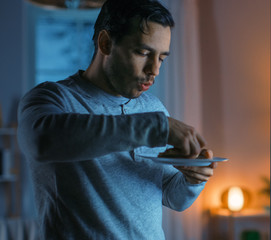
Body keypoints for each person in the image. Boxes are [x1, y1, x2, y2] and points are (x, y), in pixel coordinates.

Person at [17, 0, 216, 239]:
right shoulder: (52, 98)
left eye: (161, 58)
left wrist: (192, 179)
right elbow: (42, 142)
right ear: (106, 43)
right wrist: (157, 127)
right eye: (143, 53)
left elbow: (173, 197)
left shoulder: (153, 107)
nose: (154, 70)